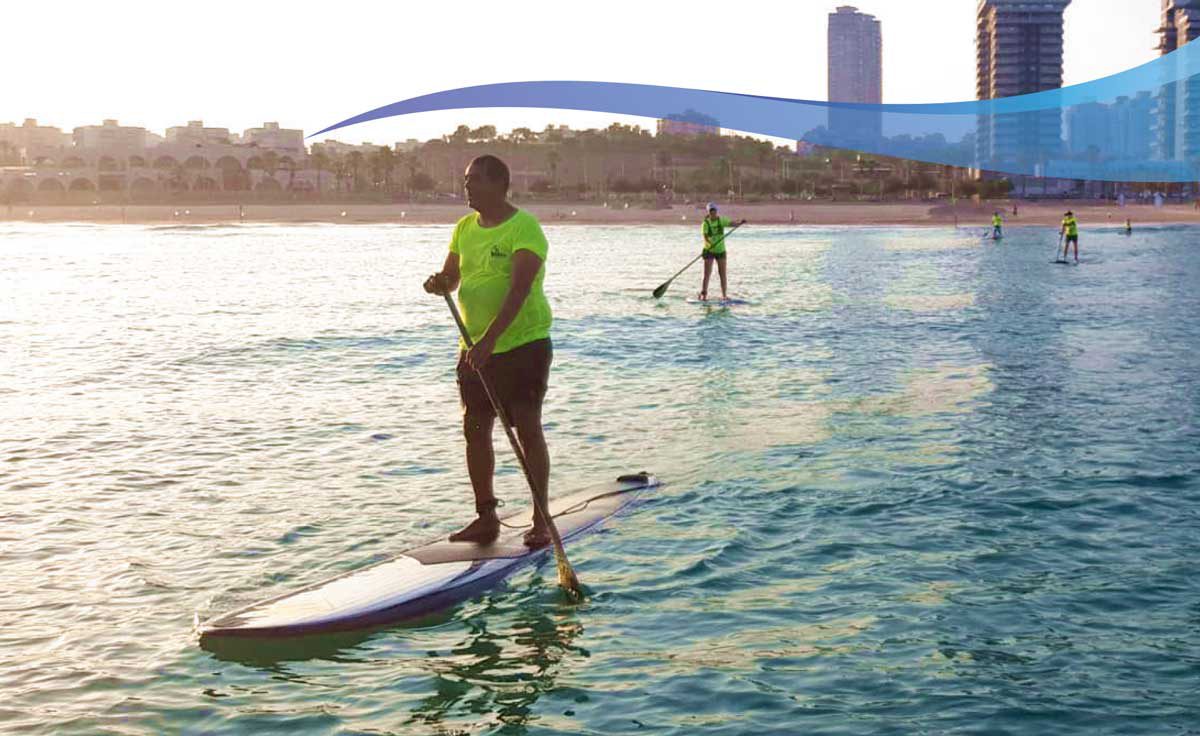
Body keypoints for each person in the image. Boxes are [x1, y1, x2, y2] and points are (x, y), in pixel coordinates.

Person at [422, 155, 554, 548]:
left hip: (522, 345)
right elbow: (453, 276)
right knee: (475, 429)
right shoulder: (464, 228)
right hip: (474, 346)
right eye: (466, 179)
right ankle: (486, 518)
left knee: (527, 427)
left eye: (475, 179)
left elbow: (519, 291)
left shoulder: (524, 227)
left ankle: (541, 520)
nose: (467, 186)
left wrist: (490, 342)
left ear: (498, 184)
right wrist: (440, 283)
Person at [699, 203, 746, 301]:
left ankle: (724, 295)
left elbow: (732, 223)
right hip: (709, 251)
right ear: (708, 212)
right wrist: (710, 244)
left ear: (716, 211)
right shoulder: (705, 224)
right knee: (707, 274)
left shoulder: (721, 220)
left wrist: (740, 223)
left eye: (714, 210)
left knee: (722, 274)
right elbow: (705, 237)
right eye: (711, 211)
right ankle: (704, 295)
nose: (713, 213)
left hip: (721, 251)